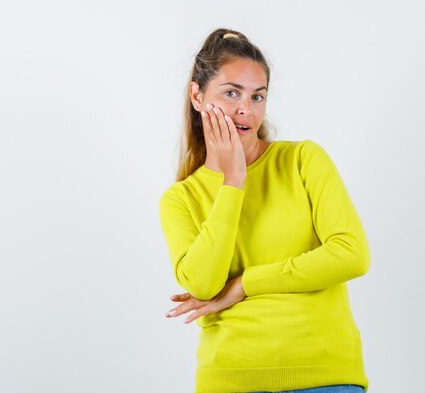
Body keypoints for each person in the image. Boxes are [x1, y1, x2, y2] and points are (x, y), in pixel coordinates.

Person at [158, 28, 371, 393]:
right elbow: (204, 285)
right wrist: (233, 182)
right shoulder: (180, 199)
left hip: (326, 377)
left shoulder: (303, 160)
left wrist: (245, 284)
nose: (246, 109)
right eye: (231, 93)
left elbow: (351, 255)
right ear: (197, 95)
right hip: (231, 380)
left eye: (258, 96)